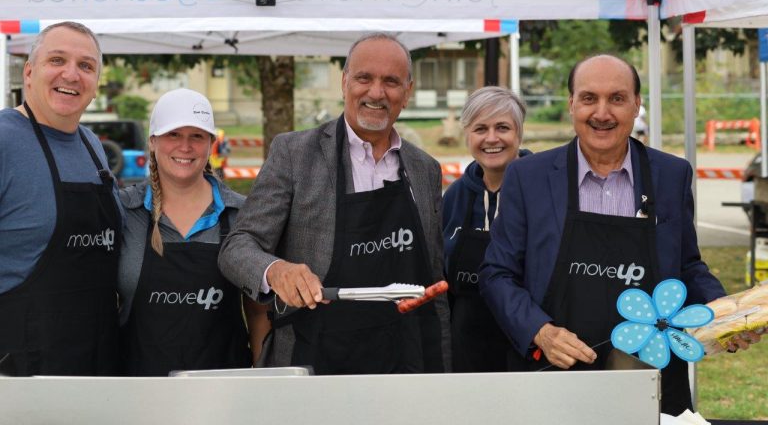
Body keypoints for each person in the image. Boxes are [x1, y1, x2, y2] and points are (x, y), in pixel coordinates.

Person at [479, 54, 760, 415]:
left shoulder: (671, 175)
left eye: (617, 98)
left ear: (637, 104)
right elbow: (496, 273)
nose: (602, 113)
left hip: (650, 373)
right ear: (571, 104)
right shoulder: (528, 177)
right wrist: (540, 331)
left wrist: (725, 316)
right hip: (555, 373)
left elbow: (686, 266)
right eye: (588, 98)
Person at [219, 32, 450, 374]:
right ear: (344, 82)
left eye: (391, 81)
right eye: (364, 78)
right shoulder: (294, 154)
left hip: (403, 362)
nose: (376, 92)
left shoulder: (425, 169)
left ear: (408, 91)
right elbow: (237, 247)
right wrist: (277, 271)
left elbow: (434, 285)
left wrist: (443, 368)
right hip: (317, 358)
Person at [118, 88, 269, 375]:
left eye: (196, 136)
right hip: (136, 392)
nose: (184, 146)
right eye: (173, 134)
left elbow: (259, 313)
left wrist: (262, 382)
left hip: (223, 391)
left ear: (211, 143)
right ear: (153, 141)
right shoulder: (125, 212)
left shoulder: (240, 215)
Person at [0, 21, 122, 376]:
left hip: (96, 362)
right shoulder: (5, 140)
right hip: (20, 372)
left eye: (86, 66)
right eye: (57, 60)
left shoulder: (92, 145)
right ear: (29, 71)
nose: (71, 74)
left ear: (96, 84)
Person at [442, 86, 530, 372]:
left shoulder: (543, 188)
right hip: (466, 347)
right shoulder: (455, 196)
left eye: (502, 127)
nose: (491, 138)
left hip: (528, 343)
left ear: (519, 133)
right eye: (480, 128)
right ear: (467, 134)